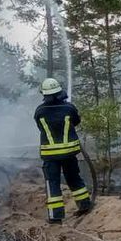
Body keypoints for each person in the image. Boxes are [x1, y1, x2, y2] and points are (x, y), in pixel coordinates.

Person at [33, 78, 93, 224]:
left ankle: (56, 217)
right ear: (60, 92)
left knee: (52, 183)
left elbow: (40, 127)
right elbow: (76, 121)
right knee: (73, 178)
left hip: (50, 156)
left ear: (44, 94)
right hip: (69, 153)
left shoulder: (39, 111)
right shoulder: (69, 108)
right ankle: (85, 205)